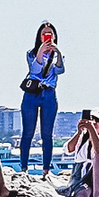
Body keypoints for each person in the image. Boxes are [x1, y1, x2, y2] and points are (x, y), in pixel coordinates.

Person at [19, 22, 64, 175]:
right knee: (28, 133)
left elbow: (60, 70)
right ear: (39, 36)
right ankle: (23, 168)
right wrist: (40, 51)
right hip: (32, 93)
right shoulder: (31, 53)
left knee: (47, 134)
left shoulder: (57, 54)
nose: (47, 36)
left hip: (49, 94)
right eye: (44, 33)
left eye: (50, 33)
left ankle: (46, 169)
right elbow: (35, 69)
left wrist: (56, 51)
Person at [63, 110, 99, 197]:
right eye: (92, 119)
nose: (94, 122)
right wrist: (79, 132)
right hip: (82, 174)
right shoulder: (83, 136)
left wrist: (91, 130)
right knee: (82, 193)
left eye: (98, 120)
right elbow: (68, 149)